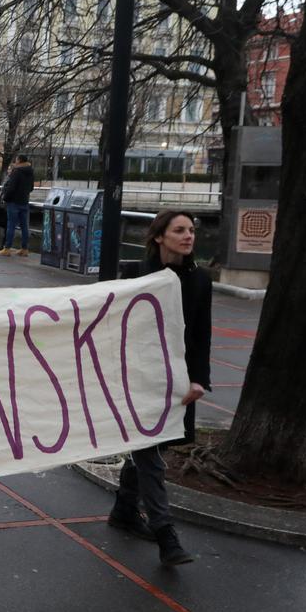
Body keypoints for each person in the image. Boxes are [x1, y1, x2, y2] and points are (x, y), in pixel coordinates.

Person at [108, 210, 210, 566]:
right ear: (158, 237)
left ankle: (124, 508)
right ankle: (167, 536)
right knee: (151, 455)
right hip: (137, 379)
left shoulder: (200, 280)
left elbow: (200, 335)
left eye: (191, 231)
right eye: (179, 230)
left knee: (151, 448)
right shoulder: (135, 275)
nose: (188, 236)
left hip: (176, 381)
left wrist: (199, 379)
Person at [0, 154, 35, 256]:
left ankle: (7, 248)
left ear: (19, 160)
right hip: (24, 202)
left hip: (13, 202)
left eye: (16, 160)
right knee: (24, 226)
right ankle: (24, 249)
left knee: (11, 226)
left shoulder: (16, 171)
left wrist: (5, 198)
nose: (15, 162)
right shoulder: (30, 172)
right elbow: (31, 188)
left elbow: (11, 188)